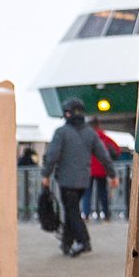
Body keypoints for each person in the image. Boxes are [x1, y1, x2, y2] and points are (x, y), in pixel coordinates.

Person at [42, 97, 108, 256]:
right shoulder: (90, 133)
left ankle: (84, 241)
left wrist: (46, 174)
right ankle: (67, 242)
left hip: (66, 180)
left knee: (72, 211)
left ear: (67, 113)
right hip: (84, 181)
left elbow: (52, 155)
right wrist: (112, 174)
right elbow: (103, 154)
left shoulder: (61, 132)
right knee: (71, 209)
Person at [84, 124, 122, 222]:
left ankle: (86, 215)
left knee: (87, 193)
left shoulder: (86, 137)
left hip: (88, 169)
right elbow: (117, 149)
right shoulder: (103, 137)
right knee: (102, 193)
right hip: (102, 169)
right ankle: (106, 215)